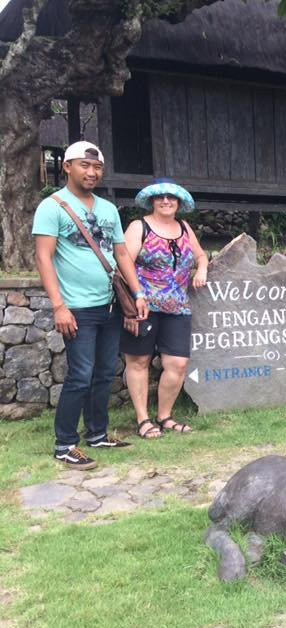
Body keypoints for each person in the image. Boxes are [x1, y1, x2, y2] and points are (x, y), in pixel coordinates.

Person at [33, 141, 149, 470]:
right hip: (77, 307)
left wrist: (138, 292)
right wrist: (59, 306)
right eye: (85, 165)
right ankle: (65, 444)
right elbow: (44, 257)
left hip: (110, 304)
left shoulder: (108, 208)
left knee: (102, 374)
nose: (92, 172)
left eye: (97, 167)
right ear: (67, 166)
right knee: (80, 376)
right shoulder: (52, 207)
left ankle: (97, 433)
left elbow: (121, 253)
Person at [121, 179, 207, 438]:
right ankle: (143, 419)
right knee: (139, 361)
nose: (166, 201)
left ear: (179, 203)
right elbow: (124, 262)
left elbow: (200, 255)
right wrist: (138, 295)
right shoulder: (140, 227)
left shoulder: (184, 227)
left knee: (177, 363)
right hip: (143, 305)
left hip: (178, 307)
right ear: (152, 201)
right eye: (160, 197)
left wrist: (201, 268)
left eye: (171, 197)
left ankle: (165, 416)